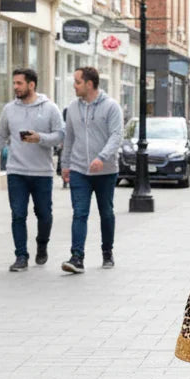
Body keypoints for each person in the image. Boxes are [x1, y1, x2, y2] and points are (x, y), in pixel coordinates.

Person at [0, 68, 64, 271]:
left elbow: (61, 135)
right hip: (16, 172)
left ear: (31, 85)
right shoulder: (9, 109)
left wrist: (40, 138)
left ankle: (42, 245)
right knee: (18, 214)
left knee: (44, 214)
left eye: (19, 83)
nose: (15, 87)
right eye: (14, 83)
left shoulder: (49, 108)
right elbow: (1, 136)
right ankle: (21, 256)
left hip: (42, 173)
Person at [60, 66, 123, 273]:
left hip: (105, 171)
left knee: (106, 212)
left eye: (77, 82)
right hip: (79, 170)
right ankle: (77, 257)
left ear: (89, 83)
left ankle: (107, 252)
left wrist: (102, 157)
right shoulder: (73, 108)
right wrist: (65, 164)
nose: (74, 86)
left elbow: (116, 136)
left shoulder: (111, 107)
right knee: (79, 213)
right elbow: (68, 138)